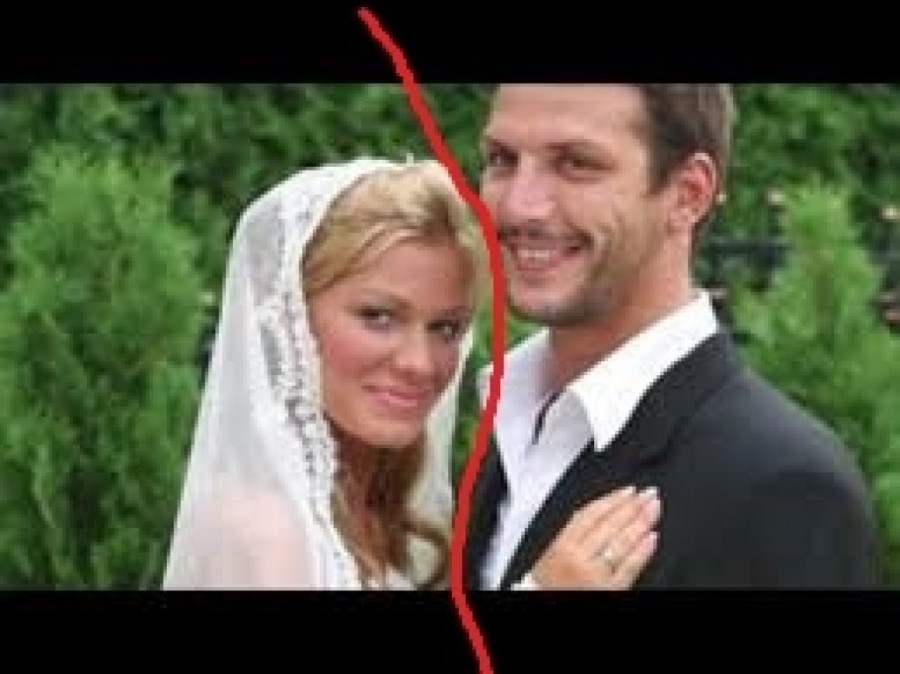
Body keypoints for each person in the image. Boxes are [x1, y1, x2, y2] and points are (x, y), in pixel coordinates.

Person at [464, 84, 882, 589]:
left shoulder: (785, 487)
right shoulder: (511, 420)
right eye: (502, 159)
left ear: (689, 194)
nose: (519, 206)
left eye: (576, 164)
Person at [163, 156, 486, 589]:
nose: (420, 363)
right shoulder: (265, 530)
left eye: (444, 328)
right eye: (379, 317)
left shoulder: (381, 519)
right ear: (291, 317)